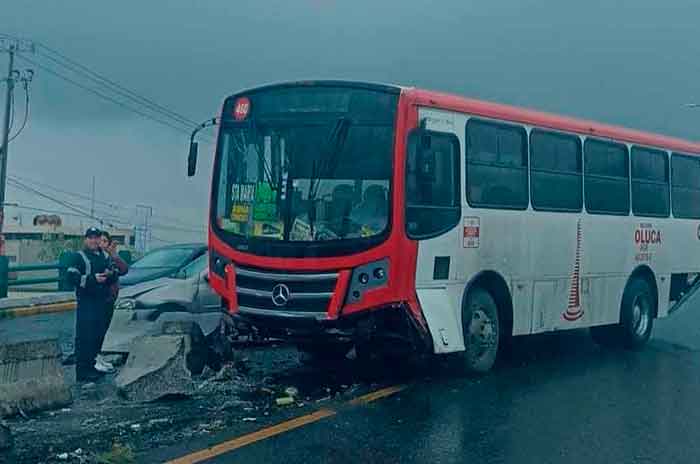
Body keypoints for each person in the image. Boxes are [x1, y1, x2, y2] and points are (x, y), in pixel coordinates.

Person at [66, 227, 118, 382]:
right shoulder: (78, 257)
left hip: (102, 301)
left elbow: (115, 272)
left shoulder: (104, 256)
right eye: (91, 238)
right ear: (85, 239)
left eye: (96, 237)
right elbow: (71, 277)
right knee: (85, 337)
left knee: (98, 335)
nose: (94, 241)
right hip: (86, 302)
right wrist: (92, 279)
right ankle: (82, 371)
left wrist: (109, 275)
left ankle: (92, 366)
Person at [94, 231, 129, 373]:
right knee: (95, 329)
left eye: (104, 241)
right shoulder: (95, 258)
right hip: (97, 299)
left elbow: (124, 269)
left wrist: (114, 254)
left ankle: (98, 355)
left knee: (104, 329)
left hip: (110, 299)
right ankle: (94, 357)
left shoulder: (111, 257)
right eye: (99, 240)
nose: (100, 243)